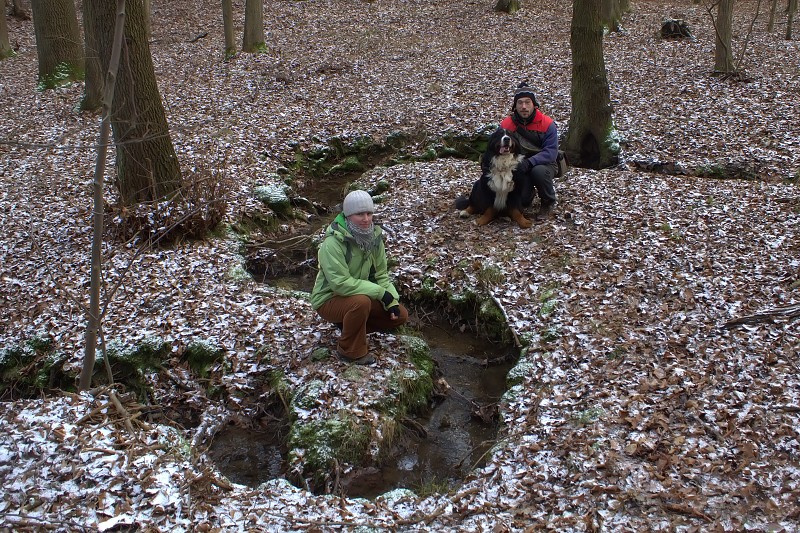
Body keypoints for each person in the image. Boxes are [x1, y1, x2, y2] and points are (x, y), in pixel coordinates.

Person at [310, 190, 409, 365]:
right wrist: (380, 293)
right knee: (361, 302)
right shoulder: (332, 243)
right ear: (348, 216)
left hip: (357, 294)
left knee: (400, 315)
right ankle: (349, 350)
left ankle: (349, 326)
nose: (366, 219)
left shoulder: (375, 238)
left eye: (369, 213)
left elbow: (381, 275)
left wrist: (391, 300)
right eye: (359, 214)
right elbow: (340, 284)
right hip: (329, 299)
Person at [498, 81, 559, 218]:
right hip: (518, 165)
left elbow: (551, 152)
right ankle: (527, 195)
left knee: (539, 172)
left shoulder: (547, 124)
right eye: (520, 103)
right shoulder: (506, 124)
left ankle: (548, 202)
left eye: (527, 102)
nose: (524, 107)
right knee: (523, 201)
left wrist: (530, 162)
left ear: (534, 104)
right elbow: (497, 147)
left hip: (544, 164)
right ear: (515, 106)